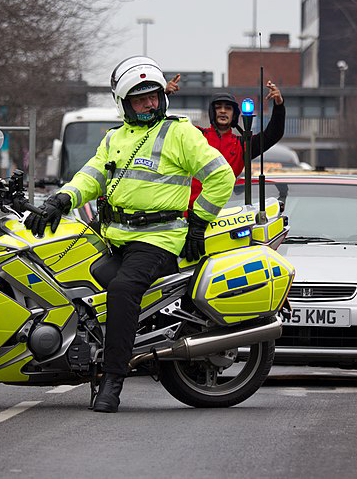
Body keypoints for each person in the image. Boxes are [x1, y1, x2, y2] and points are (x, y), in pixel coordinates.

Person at [25, 56, 234, 413]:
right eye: (140, 99)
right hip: (115, 238)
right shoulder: (114, 138)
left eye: (153, 96)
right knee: (73, 278)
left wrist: (198, 222)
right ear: (125, 103)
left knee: (122, 290)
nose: (149, 103)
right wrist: (60, 200)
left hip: (159, 239)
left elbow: (221, 176)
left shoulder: (179, 133)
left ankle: (112, 379)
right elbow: (91, 177)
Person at [173, 78, 284, 207]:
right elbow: (164, 127)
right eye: (218, 107)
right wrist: (163, 94)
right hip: (188, 213)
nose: (223, 111)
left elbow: (273, 134)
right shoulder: (196, 136)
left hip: (224, 216)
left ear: (234, 114)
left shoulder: (243, 144)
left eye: (228, 108)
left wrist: (279, 104)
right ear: (212, 112)